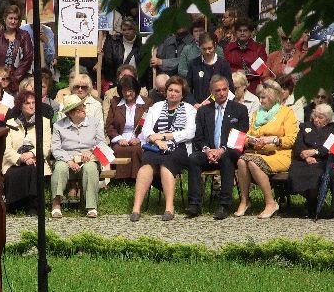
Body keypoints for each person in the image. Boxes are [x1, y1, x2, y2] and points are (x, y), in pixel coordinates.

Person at [130, 76, 197, 222]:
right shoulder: (156, 107)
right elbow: (146, 129)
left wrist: (166, 136)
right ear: (165, 92)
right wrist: (156, 139)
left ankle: (169, 207)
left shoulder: (189, 109)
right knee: (146, 166)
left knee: (167, 164)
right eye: (170, 90)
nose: (172, 93)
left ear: (182, 94)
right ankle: (136, 208)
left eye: (176, 91)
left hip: (180, 147)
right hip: (156, 146)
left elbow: (190, 132)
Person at [187, 75, 249, 219]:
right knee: (193, 158)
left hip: (230, 151)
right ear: (211, 92)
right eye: (218, 90)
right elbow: (198, 138)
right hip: (209, 152)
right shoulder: (203, 111)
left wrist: (222, 150)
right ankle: (194, 204)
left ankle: (224, 205)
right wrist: (207, 151)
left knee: (227, 157)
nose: (221, 93)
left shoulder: (240, 110)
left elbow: (241, 136)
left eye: (224, 89)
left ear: (228, 90)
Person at [236, 80, 298, 219]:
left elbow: (291, 140)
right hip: (257, 151)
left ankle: (270, 203)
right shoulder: (256, 114)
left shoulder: (286, 113)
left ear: (272, 97)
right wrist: (251, 141)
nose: (260, 100)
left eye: (263, 97)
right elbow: (246, 136)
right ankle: (245, 201)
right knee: (241, 161)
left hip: (279, 154)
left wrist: (273, 139)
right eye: (259, 97)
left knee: (253, 162)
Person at [50, 94, 106, 218]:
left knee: (90, 168)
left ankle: (91, 206)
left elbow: (102, 144)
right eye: (78, 108)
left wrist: (91, 152)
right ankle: (56, 204)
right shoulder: (58, 126)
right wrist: (68, 160)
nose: (83, 110)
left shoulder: (94, 122)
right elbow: (55, 148)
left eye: (83, 106)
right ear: (69, 113)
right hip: (67, 160)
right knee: (60, 168)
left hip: (89, 160)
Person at [3, 90, 51, 215]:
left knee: (33, 169)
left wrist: (32, 154)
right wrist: (21, 158)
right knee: (19, 171)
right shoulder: (10, 123)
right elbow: (6, 149)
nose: (31, 106)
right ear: (20, 105)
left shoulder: (44, 122)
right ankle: (16, 203)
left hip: (36, 160)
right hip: (15, 161)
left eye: (34, 102)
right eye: (27, 103)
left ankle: (33, 206)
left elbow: (46, 146)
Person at [289, 103, 334, 218]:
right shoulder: (305, 126)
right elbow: (298, 144)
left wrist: (315, 152)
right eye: (315, 116)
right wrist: (306, 156)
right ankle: (309, 201)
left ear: (328, 119)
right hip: (303, 159)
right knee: (295, 172)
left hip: (322, 160)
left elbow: (332, 146)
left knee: (316, 174)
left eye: (320, 117)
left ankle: (312, 204)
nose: (316, 120)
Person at [105, 76, 152, 179]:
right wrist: (119, 139)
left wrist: (139, 139)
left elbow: (150, 124)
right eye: (124, 91)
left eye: (130, 91)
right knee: (118, 149)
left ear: (136, 89)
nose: (127, 94)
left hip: (140, 137)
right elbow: (109, 126)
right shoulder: (114, 103)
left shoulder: (147, 103)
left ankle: (137, 177)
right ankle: (121, 178)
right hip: (121, 137)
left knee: (137, 149)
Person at [0, 5, 34, 85]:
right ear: (5, 19)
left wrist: (12, 79)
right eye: (10, 18)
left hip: (18, 82)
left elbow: (27, 59)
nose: (13, 21)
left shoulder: (24, 36)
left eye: (16, 19)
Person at [186, 34, 234, 106]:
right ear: (199, 47)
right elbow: (187, 88)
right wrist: (193, 103)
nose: (207, 51)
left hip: (218, 106)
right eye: (204, 49)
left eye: (210, 48)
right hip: (198, 107)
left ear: (215, 45)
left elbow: (230, 89)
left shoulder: (223, 64)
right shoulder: (194, 64)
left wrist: (211, 101)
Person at [223, 17, 267, 94]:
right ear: (236, 32)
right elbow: (224, 67)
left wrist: (246, 72)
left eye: (245, 30)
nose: (242, 33)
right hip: (233, 89)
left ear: (251, 32)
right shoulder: (228, 48)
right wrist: (237, 72)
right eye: (240, 31)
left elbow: (262, 66)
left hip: (254, 89)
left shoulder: (258, 48)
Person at [102, 18, 143, 83]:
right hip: (118, 82)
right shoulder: (114, 42)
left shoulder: (142, 43)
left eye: (130, 29)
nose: (127, 32)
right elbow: (108, 64)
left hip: (137, 81)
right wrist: (114, 81)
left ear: (135, 30)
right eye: (124, 30)